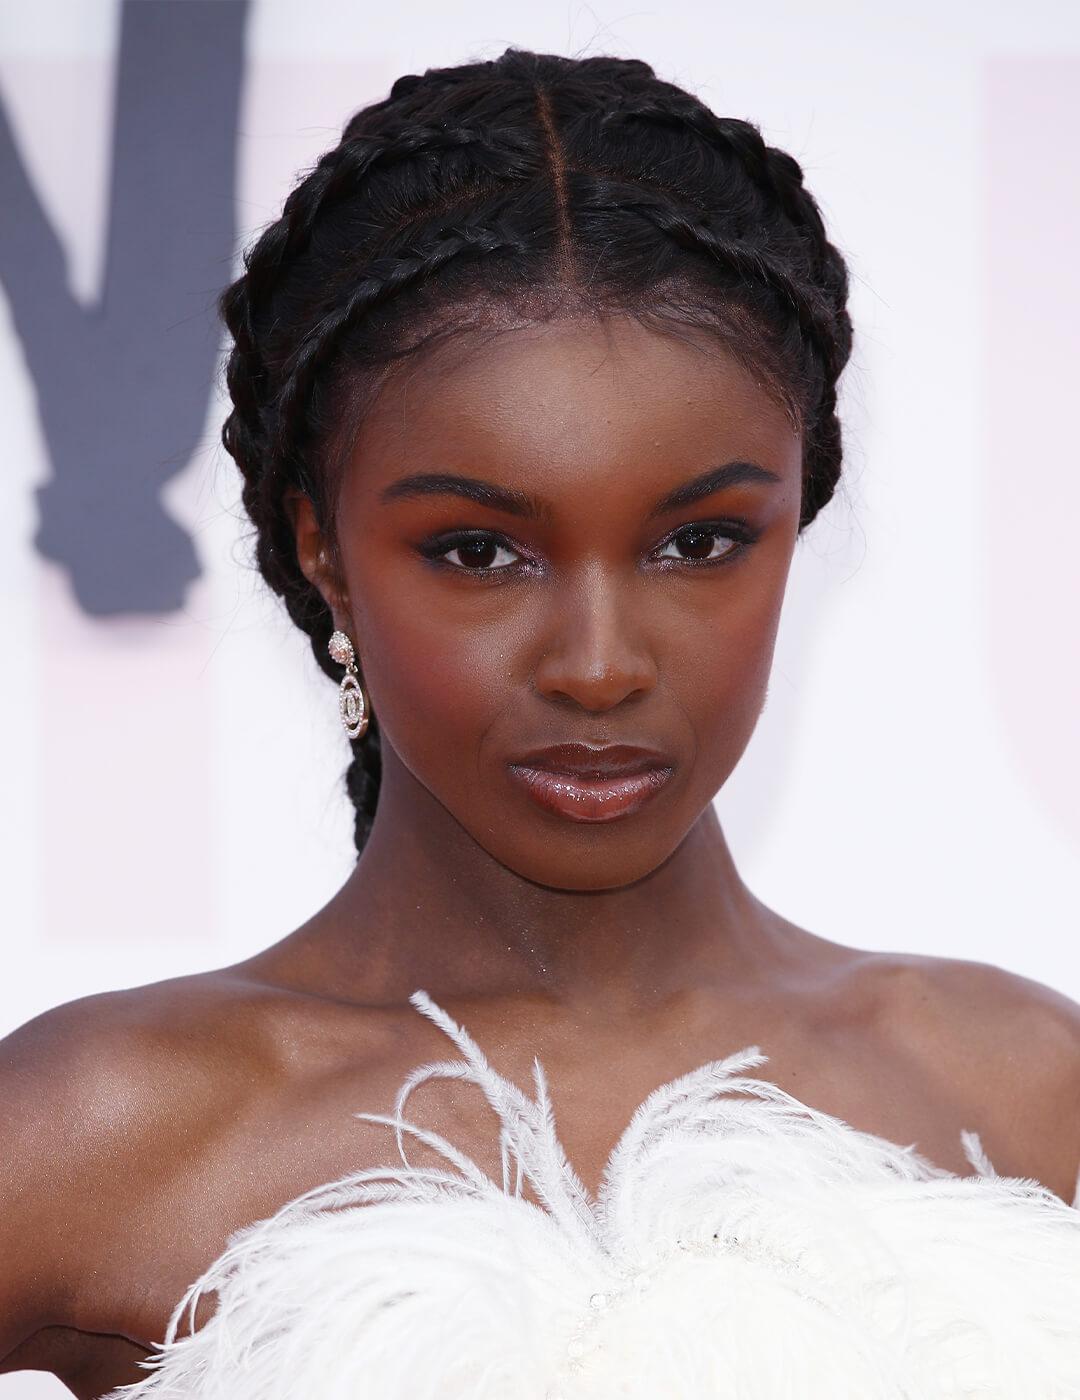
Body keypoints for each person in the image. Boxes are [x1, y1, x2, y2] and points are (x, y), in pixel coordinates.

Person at [3, 47, 1078, 1400]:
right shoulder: (100, 1129)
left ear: (796, 524)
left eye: (698, 540)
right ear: (322, 548)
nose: (599, 664)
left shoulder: (1027, 1090)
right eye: (476, 551)